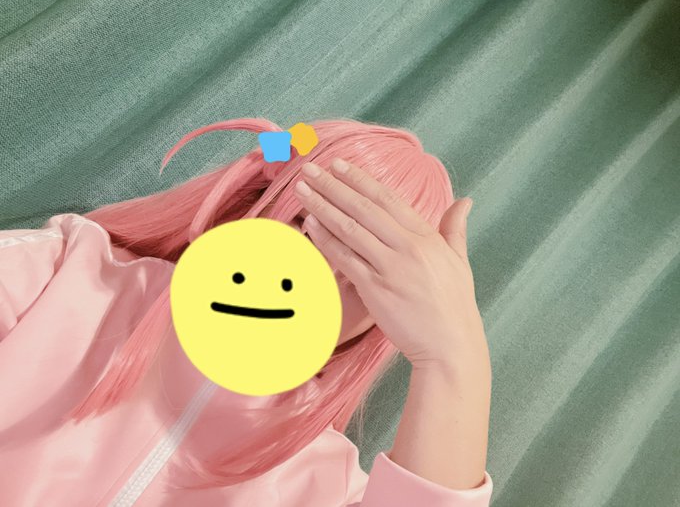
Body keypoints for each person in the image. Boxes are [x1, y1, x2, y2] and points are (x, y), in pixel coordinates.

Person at [0, 117, 493, 506]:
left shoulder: (325, 480)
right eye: (311, 232)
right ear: (254, 205)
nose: (320, 282)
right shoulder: (61, 272)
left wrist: (454, 360)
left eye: (370, 277)